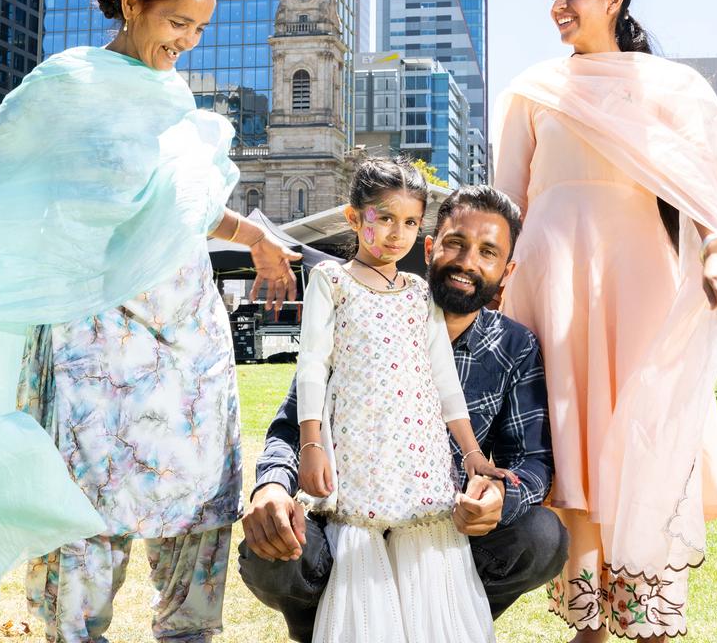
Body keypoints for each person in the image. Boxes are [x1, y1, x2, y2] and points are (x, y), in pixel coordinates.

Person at [0, 0, 300, 643]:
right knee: (83, 523)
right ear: (132, 5)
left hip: (188, 339)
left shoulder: (171, 95)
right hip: (92, 342)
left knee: (194, 522)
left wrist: (252, 233)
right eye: (175, 22)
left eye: (199, 29)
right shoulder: (65, 87)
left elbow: (173, 203)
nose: (186, 41)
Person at [492, 0, 717, 642]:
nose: (558, 3)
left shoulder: (671, 88)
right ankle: (587, 623)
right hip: (550, 286)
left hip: (640, 281)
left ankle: (648, 620)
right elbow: (507, 202)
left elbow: (704, 184)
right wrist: (495, 288)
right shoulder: (532, 89)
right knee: (570, 445)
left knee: (640, 443)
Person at [239, 185, 566, 642]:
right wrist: (272, 486)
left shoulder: (515, 347)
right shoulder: (352, 305)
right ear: (431, 248)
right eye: (455, 243)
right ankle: (323, 627)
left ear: (505, 272)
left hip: (441, 518)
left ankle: (445, 622)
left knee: (542, 536)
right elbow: (293, 423)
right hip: (347, 513)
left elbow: (533, 460)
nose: (468, 262)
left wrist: (497, 498)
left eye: (487, 252)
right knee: (270, 546)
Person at [291, 161, 523, 642]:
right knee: (364, 555)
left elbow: (443, 379)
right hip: (361, 448)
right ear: (354, 218)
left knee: (426, 550)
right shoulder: (332, 282)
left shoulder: (420, 294)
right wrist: (311, 443)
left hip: (419, 453)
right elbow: (312, 363)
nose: (398, 233)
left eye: (412, 222)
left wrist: (474, 455)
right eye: (386, 218)